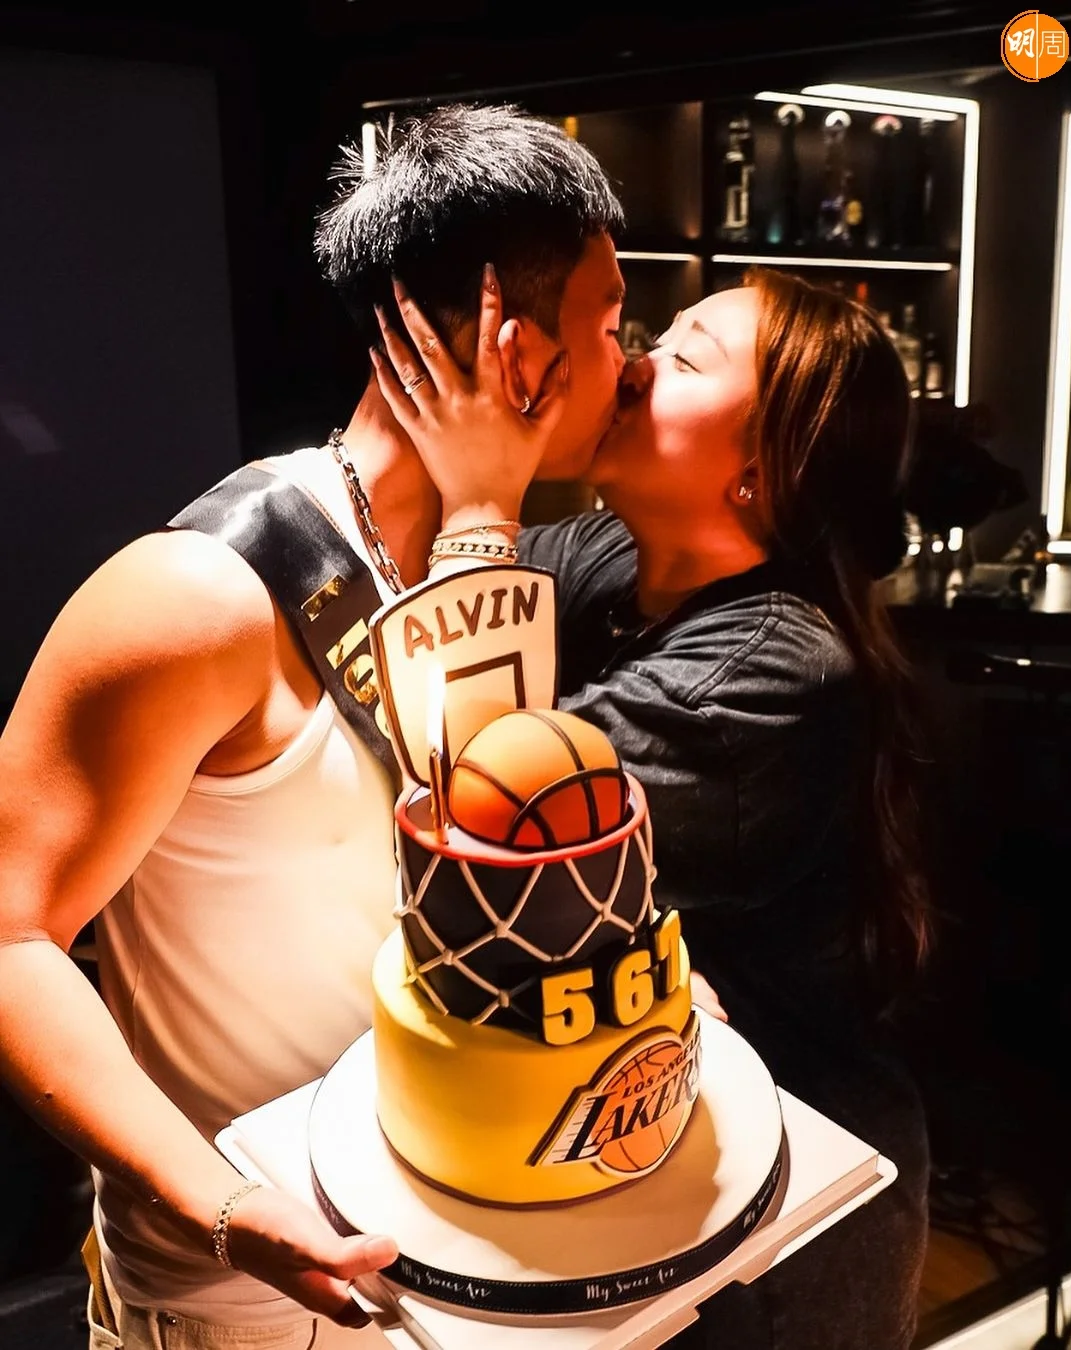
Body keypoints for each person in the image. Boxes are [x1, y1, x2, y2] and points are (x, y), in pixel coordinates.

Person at [0, 101, 628, 1349]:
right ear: (519, 352)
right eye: (612, 327)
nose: (634, 361)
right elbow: (10, 933)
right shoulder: (199, 597)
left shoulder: (493, 562)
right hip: (248, 1301)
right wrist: (225, 1208)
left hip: (463, 1257)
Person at [371, 262, 938, 1349]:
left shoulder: (773, 670)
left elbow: (477, 802)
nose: (636, 362)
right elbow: (410, 638)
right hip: (638, 1153)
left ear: (761, 470)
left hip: (783, 1214)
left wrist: (483, 505)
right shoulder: (611, 555)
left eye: (685, 357)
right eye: (649, 333)